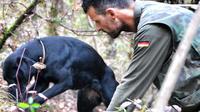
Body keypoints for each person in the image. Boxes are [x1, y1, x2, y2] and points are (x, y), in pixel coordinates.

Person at [81, 0, 200, 112]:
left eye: (97, 21)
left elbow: (131, 87)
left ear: (112, 14)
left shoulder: (153, 27)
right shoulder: (156, 12)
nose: (97, 28)